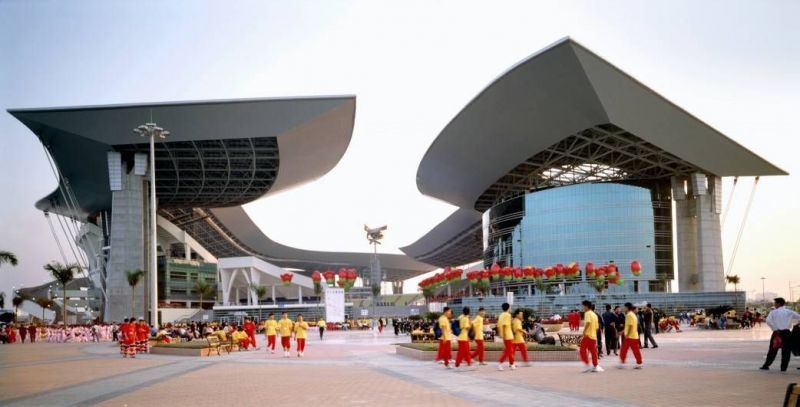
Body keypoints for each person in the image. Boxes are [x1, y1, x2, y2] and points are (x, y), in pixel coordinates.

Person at [760, 297, 800, 372]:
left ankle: (766, 365)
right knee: (786, 351)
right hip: (787, 333)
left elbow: (768, 321)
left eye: (775, 303)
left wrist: (775, 329)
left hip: (776, 333)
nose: (774, 304)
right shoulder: (789, 312)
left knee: (772, 350)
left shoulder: (773, 312)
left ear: (778, 303)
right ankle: (783, 368)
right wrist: (798, 324)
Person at [579, 300, 603, 372]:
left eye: (583, 306)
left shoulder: (587, 313)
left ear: (586, 306)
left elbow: (588, 323)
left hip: (587, 335)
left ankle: (587, 365)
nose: (583, 308)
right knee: (593, 352)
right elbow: (597, 327)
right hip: (593, 336)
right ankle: (596, 366)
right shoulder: (594, 314)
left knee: (582, 350)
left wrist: (584, 333)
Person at [618, 302, 643, 369]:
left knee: (623, 350)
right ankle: (639, 363)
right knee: (635, 350)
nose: (624, 308)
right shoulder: (633, 315)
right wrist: (622, 332)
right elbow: (629, 326)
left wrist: (627, 335)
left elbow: (631, 326)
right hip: (634, 336)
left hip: (630, 336)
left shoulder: (629, 315)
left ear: (627, 307)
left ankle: (622, 363)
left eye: (624, 307)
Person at [497, 302, 516, 371]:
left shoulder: (501, 315)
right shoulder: (508, 315)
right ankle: (500, 363)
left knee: (509, 350)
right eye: (510, 307)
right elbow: (505, 325)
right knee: (508, 351)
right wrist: (504, 335)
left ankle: (512, 364)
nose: (510, 308)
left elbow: (499, 325)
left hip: (506, 335)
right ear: (508, 308)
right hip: (508, 335)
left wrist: (501, 334)